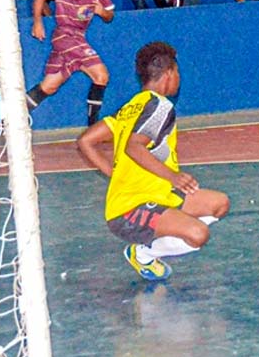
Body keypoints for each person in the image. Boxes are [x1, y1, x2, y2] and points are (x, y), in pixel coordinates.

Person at [76, 41, 230, 282]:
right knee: (198, 234)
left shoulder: (131, 106)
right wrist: (173, 176)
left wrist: (115, 175)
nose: (179, 77)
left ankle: (167, 230)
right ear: (169, 73)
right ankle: (144, 253)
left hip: (157, 194)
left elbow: (86, 141)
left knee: (219, 203)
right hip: (129, 209)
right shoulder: (160, 106)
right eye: (177, 71)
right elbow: (133, 146)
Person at [27, 0, 114, 126]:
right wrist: (37, 22)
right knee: (101, 75)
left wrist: (101, 12)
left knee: (49, 86)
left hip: (78, 37)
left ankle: (13, 117)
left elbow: (109, 15)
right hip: (65, 35)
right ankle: (93, 127)